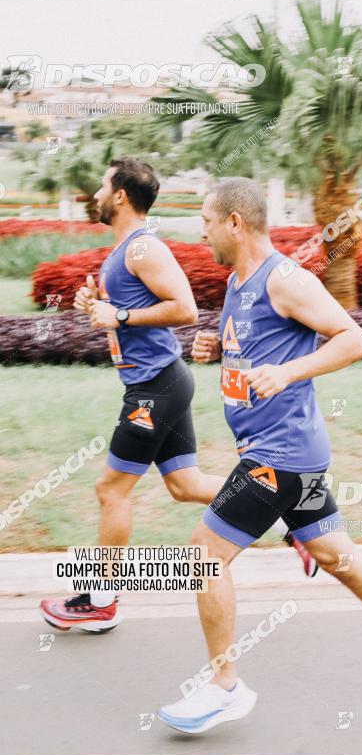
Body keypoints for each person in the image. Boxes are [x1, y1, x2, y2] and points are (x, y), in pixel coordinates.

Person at [157, 177, 362, 733]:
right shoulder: (236, 282)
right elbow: (250, 351)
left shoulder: (285, 279)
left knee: (203, 557)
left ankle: (224, 687)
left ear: (235, 222)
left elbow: (354, 339)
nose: (199, 229)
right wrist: (213, 348)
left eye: (205, 219)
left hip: (282, 453)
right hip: (283, 452)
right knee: (335, 556)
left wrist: (290, 371)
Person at [39, 159, 317, 634]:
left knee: (110, 488)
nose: (97, 193)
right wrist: (101, 308)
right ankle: (287, 514)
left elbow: (184, 309)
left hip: (156, 388)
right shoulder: (125, 249)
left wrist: (120, 318)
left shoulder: (143, 247)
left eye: (105, 186)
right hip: (158, 382)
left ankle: (102, 600)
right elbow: (126, 311)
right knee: (184, 485)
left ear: (121, 195)